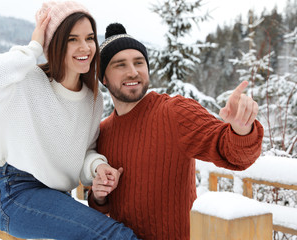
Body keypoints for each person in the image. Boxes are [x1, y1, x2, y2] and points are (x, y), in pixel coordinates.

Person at [0, 2, 139, 239]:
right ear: (55, 44)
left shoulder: (92, 99)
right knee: (115, 235)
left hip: (57, 197)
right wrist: (33, 47)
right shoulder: (27, 81)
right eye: (72, 39)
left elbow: (83, 151)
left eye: (89, 38)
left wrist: (97, 166)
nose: (85, 47)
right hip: (16, 193)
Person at [88, 23, 264, 240]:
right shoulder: (103, 131)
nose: (133, 71)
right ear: (103, 78)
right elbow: (101, 207)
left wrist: (241, 130)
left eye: (139, 62)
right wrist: (99, 196)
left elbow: (234, 155)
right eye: (120, 65)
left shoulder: (175, 112)